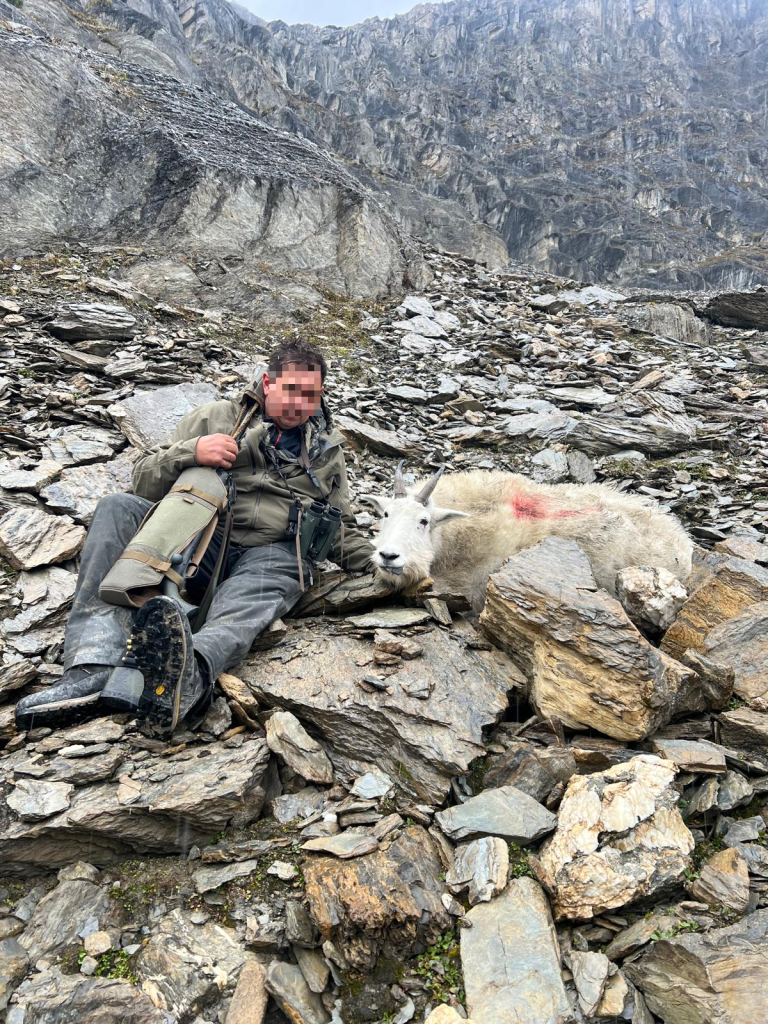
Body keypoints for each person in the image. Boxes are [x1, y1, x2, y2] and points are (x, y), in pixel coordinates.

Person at [16, 340, 376, 735]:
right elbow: (144, 479)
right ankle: (91, 666)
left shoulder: (327, 452)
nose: (299, 403)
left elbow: (341, 528)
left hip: (271, 555)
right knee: (118, 508)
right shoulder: (216, 417)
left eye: (310, 394)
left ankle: (188, 674)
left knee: (275, 575)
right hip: (196, 542)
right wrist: (192, 452)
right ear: (267, 383)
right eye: (290, 389)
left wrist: (389, 566)